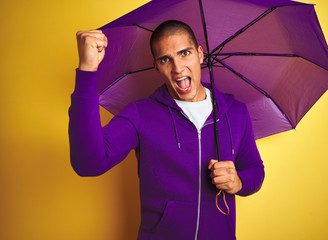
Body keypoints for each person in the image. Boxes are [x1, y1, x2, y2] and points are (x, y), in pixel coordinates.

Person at [69, 20, 265, 240]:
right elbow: (88, 163)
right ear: (156, 66)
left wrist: (238, 181)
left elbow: (255, 170)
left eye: (185, 53)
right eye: (165, 59)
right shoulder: (140, 114)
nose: (178, 68)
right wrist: (87, 70)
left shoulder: (236, 112)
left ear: (200, 54)